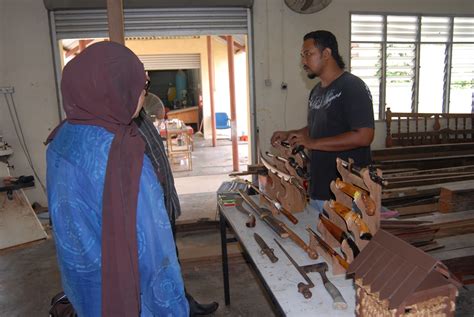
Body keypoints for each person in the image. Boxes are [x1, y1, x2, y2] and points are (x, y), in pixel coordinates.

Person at [46, 41, 189, 316]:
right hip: (126, 299)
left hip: (84, 290)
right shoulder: (124, 159)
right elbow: (156, 261)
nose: (141, 93)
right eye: (138, 84)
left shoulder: (60, 139)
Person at [271, 30, 375, 213]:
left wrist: (313, 143)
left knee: (344, 242)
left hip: (347, 192)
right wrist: (293, 134)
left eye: (308, 54)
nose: (303, 61)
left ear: (326, 54)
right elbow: (317, 128)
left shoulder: (352, 86)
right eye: (302, 55)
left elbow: (364, 136)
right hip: (320, 188)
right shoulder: (316, 91)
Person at [134, 105, 219, 316]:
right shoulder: (122, 123)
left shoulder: (141, 115)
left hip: (164, 201)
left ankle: (184, 303)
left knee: (171, 258)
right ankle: (177, 306)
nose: (144, 92)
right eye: (142, 85)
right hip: (149, 210)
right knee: (159, 264)